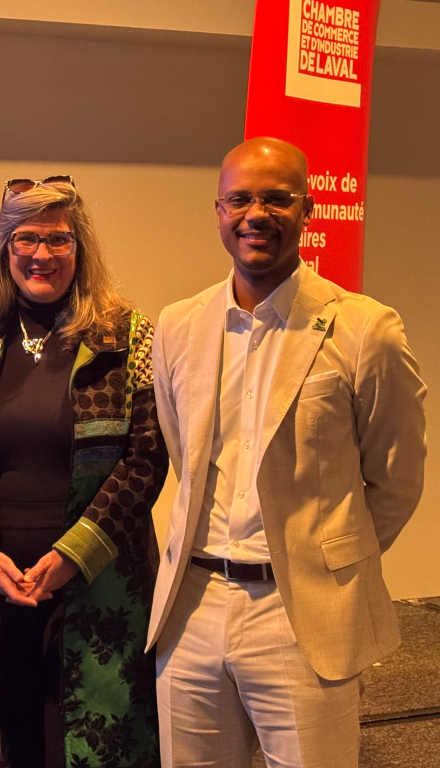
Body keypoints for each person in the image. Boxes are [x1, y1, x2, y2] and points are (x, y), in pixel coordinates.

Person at [147, 137, 428, 768]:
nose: (256, 214)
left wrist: (327, 560)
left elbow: (397, 477)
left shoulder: (365, 329)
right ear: (218, 210)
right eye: (240, 199)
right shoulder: (177, 326)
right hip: (192, 606)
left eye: (277, 199)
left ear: (307, 210)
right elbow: (182, 453)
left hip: (300, 615)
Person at [0, 177, 167, 768]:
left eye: (58, 239)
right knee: (10, 743)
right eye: (25, 238)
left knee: (92, 744)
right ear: (3, 250)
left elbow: (146, 459)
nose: (41, 254)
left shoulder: (128, 337)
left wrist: (70, 557)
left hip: (101, 586)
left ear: (81, 250)